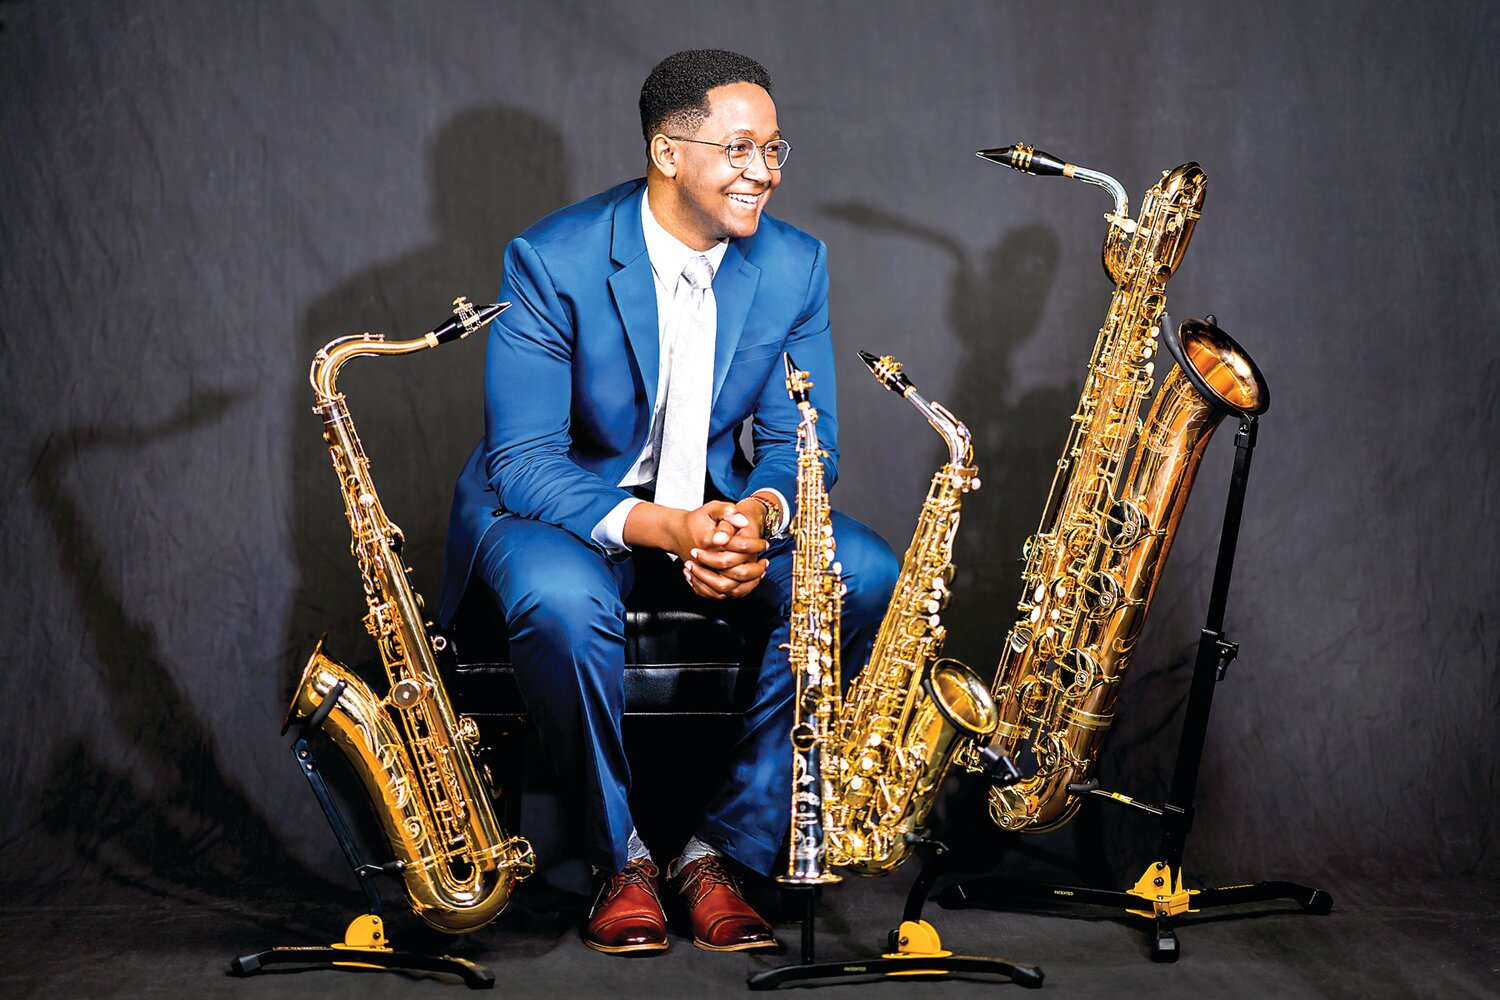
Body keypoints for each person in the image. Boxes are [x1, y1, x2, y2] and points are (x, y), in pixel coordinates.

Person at [440, 49, 897, 955]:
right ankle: (622, 861)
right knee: (564, 604)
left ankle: (718, 850)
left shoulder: (797, 266)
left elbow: (803, 447)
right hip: (557, 509)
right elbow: (524, 460)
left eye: (774, 150)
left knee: (863, 571)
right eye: (738, 149)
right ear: (666, 150)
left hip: (712, 507)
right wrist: (674, 529)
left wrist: (756, 518)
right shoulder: (551, 259)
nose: (762, 172)